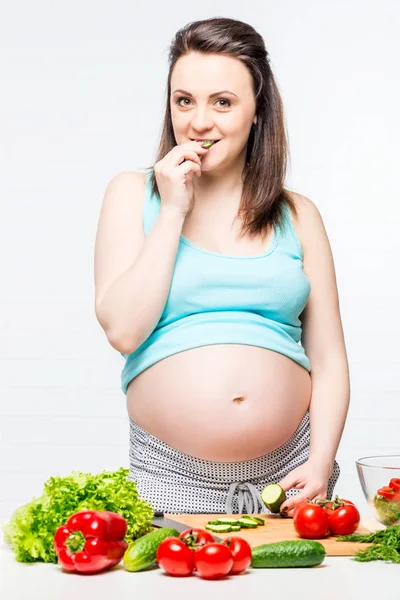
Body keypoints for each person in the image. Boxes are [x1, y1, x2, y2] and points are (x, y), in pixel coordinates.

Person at [94, 17, 350, 516]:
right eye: (184, 100)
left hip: (292, 474)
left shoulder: (298, 215)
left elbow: (330, 358)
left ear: (258, 111)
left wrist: (322, 461)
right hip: (170, 475)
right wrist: (173, 210)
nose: (198, 122)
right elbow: (124, 331)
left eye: (223, 102)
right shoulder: (131, 194)